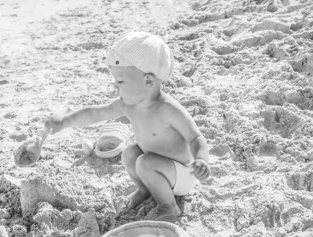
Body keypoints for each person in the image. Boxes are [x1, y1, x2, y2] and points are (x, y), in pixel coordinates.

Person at [44, 31, 210, 222]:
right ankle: (146, 189)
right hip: (156, 167)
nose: (115, 87)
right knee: (130, 153)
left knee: (144, 162)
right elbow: (96, 112)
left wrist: (202, 160)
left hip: (182, 175)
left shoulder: (168, 109)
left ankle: (169, 206)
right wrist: (65, 121)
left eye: (120, 82)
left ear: (148, 80)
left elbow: (195, 138)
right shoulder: (128, 105)